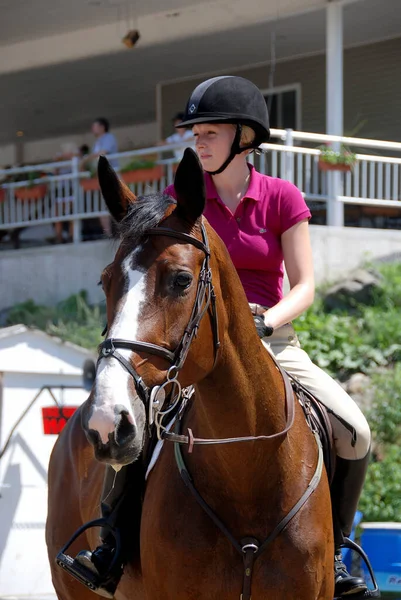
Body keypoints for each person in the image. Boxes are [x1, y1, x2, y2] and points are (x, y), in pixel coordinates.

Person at [69, 77, 371, 599]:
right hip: (192, 346)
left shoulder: (281, 196)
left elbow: (305, 285)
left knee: (357, 433)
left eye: (210, 132)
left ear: (245, 137)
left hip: (273, 342)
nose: (199, 142)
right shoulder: (178, 201)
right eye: (195, 133)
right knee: (139, 433)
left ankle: (337, 555)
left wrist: (267, 322)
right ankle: (112, 548)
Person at [81, 118, 119, 236]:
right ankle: (108, 235)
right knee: (102, 206)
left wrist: (86, 159)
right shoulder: (97, 142)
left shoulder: (108, 137)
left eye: (95, 126)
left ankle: (124, 231)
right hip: (102, 177)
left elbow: (103, 153)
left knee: (117, 203)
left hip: (111, 175)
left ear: (102, 127)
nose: (93, 129)